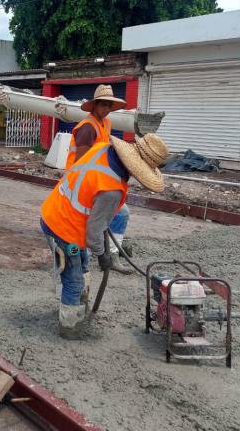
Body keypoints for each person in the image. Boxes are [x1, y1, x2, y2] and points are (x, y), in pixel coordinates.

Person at [40, 133, 169, 339]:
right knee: (73, 279)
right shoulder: (111, 190)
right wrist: (103, 255)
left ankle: (79, 308)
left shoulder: (102, 148)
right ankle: (69, 327)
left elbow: (89, 196)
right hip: (62, 228)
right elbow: (93, 234)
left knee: (82, 265)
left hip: (57, 211)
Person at [67, 84, 131, 271]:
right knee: (88, 221)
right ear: (94, 105)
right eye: (103, 104)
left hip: (96, 181)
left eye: (108, 105)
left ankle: (110, 254)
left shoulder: (106, 123)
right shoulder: (87, 128)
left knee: (120, 213)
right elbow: (81, 163)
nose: (106, 109)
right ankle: (84, 260)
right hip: (80, 183)